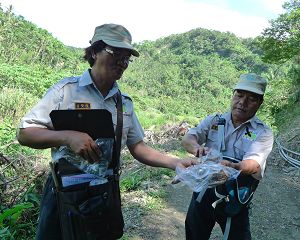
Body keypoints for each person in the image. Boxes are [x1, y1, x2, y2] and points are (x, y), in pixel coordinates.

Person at [17, 23, 196, 240]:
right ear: (94, 51)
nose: (122, 61)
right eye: (116, 52)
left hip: (103, 196)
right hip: (63, 194)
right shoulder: (65, 92)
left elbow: (138, 146)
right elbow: (25, 133)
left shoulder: (124, 104)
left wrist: (175, 162)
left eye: (127, 57)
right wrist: (67, 137)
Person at [182, 73, 274, 240]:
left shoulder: (263, 132)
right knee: (194, 233)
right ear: (233, 95)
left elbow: (254, 163)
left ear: (260, 102)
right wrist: (196, 148)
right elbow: (189, 137)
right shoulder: (214, 121)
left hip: (235, 196)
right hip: (204, 190)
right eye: (239, 95)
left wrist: (235, 167)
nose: (242, 102)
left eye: (251, 98)